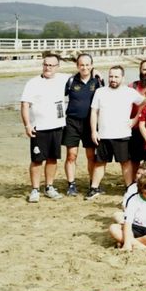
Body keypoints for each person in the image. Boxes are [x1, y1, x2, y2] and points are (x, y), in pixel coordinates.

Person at [87, 66, 144, 200]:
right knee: (100, 163)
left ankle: (129, 188)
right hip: (104, 134)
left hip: (123, 134)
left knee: (125, 162)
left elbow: (144, 103)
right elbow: (94, 112)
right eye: (111, 76)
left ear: (122, 78)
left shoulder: (130, 92)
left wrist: (135, 120)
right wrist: (93, 131)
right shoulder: (100, 92)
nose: (113, 79)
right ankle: (94, 188)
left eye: (116, 77)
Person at [20, 52, 69, 202]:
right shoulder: (33, 82)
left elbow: (83, 73)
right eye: (45, 65)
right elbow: (24, 104)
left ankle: (49, 186)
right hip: (39, 128)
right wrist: (27, 125)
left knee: (52, 159)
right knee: (37, 159)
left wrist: (96, 72)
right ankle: (35, 189)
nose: (48, 68)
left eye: (51, 65)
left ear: (57, 67)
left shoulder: (64, 79)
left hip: (57, 126)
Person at [61, 53, 104, 196]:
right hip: (72, 122)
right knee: (71, 155)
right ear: (77, 66)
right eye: (81, 65)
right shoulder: (71, 80)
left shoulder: (98, 81)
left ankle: (93, 183)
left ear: (91, 65)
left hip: (90, 123)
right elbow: (57, 97)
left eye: (87, 65)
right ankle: (71, 184)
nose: (84, 67)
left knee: (91, 156)